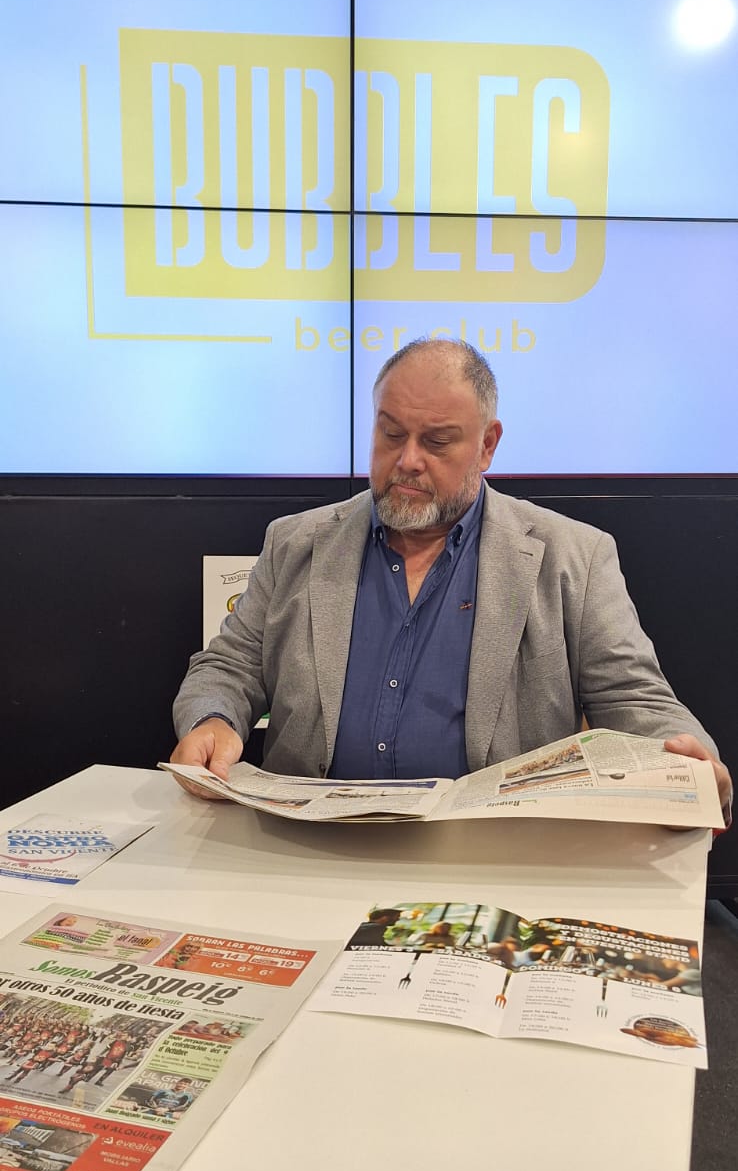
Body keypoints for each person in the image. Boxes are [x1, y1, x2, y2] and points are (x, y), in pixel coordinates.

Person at [171, 339, 731, 823]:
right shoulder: (295, 542)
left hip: (494, 855)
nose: (408, 460)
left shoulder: (573, 557)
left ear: (487, 445)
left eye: (437, 442)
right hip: (307, 846)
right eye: (391, 434)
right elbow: (230, 666)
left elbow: (632, 696)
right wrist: (212, 718)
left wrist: (689, 765)